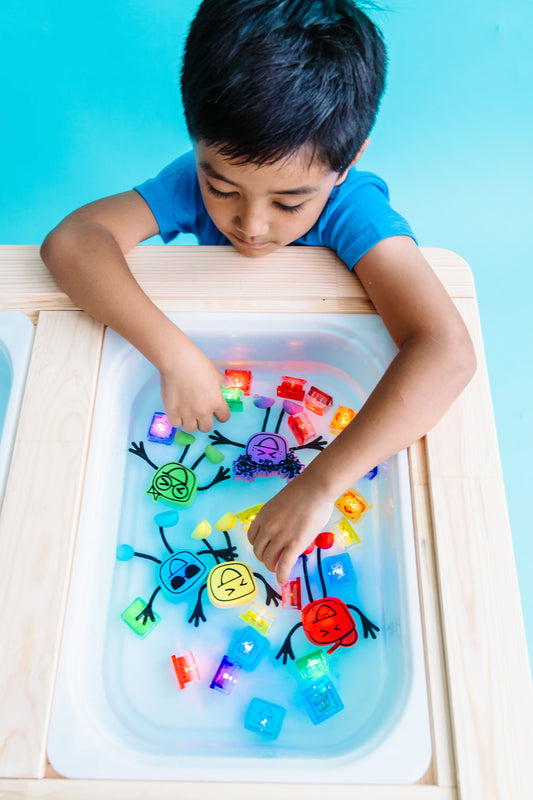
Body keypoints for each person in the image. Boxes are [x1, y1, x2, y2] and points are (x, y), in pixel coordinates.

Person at [40, 0, 476, 586]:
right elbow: (72, 241)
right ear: (199, 146)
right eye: (221, 188)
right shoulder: (193, 179)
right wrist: (173, 351)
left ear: (348, 162)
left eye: (290, 203)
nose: (251, 224)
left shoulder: (355, 209)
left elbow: (446, 351)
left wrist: (321, 482)